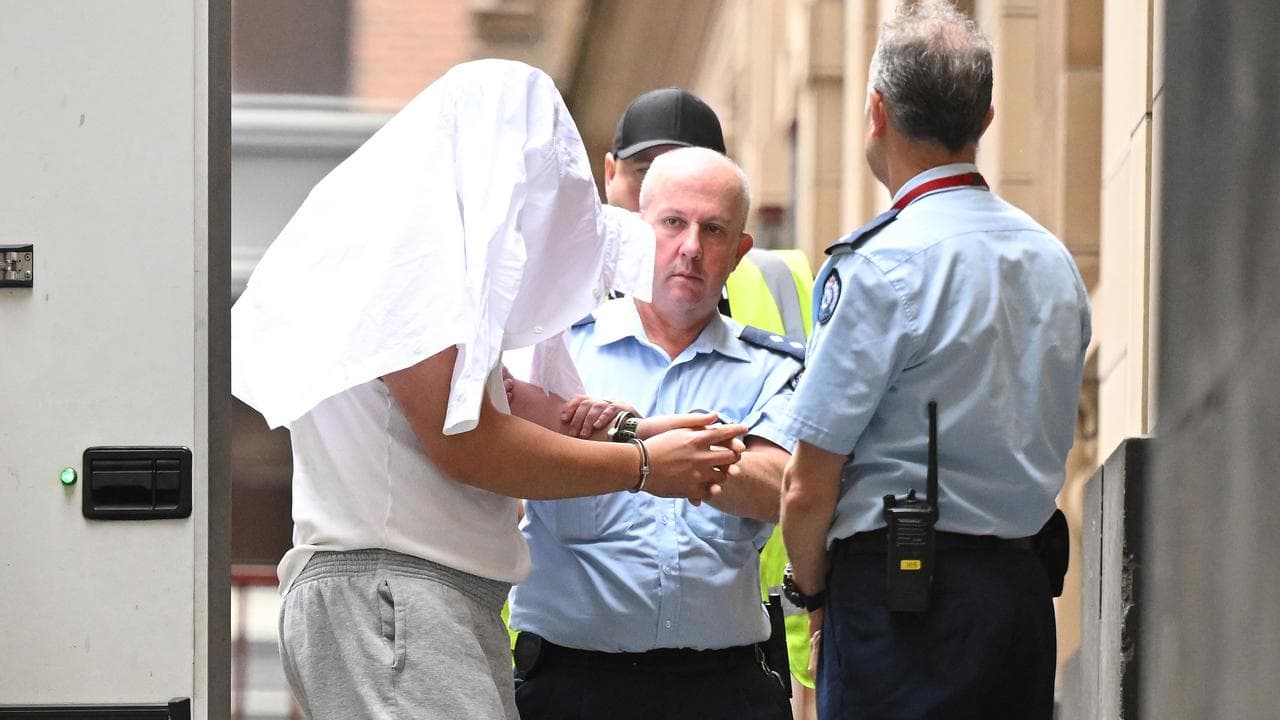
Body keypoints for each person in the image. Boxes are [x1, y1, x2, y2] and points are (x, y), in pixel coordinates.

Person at [230, 60, 747, 720]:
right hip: (394, 594)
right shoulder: (415, 256)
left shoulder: (418, 244)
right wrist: (643, 467)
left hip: (412, 594)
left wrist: (635, 431)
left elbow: (492, 394)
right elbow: (466, 442)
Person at [778, 2, 1091, 718]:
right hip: (1018, 602)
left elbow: (805, 488)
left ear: (876, 113)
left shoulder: (883, 268)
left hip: (897, 608)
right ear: (985, 119)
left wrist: (815, 596)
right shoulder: (1053, 264)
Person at [505, 147, 799, 720]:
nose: (691, 247)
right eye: (672, 223)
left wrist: (622, 440)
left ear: (739, 252)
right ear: (636, 234)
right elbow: (502, 453)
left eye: (713, 230)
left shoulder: (774, 367)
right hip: (571, 687)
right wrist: (661, 451)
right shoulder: (554, 351)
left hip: (725, 688)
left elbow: (782, 487)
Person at [603, 85, 820, 691]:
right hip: (571, 658)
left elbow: (802, 472)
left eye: (713, 223)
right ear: (614, 178)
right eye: (668, 212)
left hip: (750, 631)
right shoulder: (563, 315)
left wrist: (636, 448)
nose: (690, 245)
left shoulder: (784, 291)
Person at [603, 86, 814, 342]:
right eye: (645, 172)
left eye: (691, 179)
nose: (665, 194)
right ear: (610, 174)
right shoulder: (564, 282)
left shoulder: (784, 280)